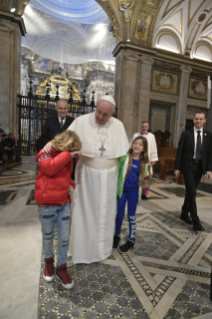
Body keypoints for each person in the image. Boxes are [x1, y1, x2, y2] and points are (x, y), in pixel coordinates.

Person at [43, 95, 129, 264]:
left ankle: (102, 251)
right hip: (87, 176)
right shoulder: (82, 121)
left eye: (105, 114)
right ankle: (83, 251)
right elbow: (63, 140)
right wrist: (51, 145)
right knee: (84, 212)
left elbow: (124, 155)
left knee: (105, 214)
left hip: (109, 177)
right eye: (98, 112)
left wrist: (122, 177)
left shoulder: (118, 126)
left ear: (113, 114)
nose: (100, 117)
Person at [34, 130, 81, 288]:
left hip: (63, 205)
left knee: (64, 239)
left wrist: (71, 185)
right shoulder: (45, 152)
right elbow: (50, 167)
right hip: (47, 206)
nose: (73, 154)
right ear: (67, 145)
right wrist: (69, 154)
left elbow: (66, 176)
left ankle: (61, 269)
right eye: (72, 150)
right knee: (48, 237)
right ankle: (49, 265)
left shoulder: (67, 158)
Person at [174, 112, 212, 231]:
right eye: (196, 119)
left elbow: (210, 154)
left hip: (200, 168)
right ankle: (196, 221)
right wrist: (177, 168)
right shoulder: (186, 134)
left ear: (205, 120)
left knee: (191, 192)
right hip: (188, 167)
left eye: (201, 119)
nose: (198, 121)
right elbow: (179, 152)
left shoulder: (209, 135)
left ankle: (184, 212)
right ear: (193, 120)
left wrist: (209, 169)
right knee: (192, 192)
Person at [113, 135, 151, 252]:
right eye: (135, 143)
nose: (137, 146)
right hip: (122, 192)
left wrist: (146, 181)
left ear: (144, 148)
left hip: (133, 192)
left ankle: (131, 240)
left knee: (131, 216)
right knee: (119, 215)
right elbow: (117, 170)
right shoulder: (125, 157)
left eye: (140, 144)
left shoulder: (144, 163)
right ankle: (117, 236)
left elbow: (146, 183)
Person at [130, 121, 158, 199]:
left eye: (146, 126)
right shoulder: (135, 135)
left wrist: (153, 159)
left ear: (148, 127)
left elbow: (153, 147)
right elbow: (131, 145)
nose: (144, 128)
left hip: (146, 160)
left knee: (146, 176)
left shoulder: (151, 136)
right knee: (136, 175)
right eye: (143, 126)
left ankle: (144, 194)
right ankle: (134, 191)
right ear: (141, 127)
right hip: (137, 158)